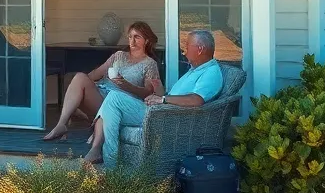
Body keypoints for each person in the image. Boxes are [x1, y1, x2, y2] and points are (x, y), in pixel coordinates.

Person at [84, 28, 224, 166]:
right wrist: (159, 93)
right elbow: (176, 96)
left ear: (199, 49)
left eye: (187, 46)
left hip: (168, 117)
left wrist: (162, 100)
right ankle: (110, 163)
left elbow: (196, 100)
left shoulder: (211, 72)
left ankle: (109, 164)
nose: (183, 50)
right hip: (162, 110)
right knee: (111, 107)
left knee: (114, 99)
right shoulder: (195, 70)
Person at [42, 21, 162, 143]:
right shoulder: (119, 55)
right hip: (101, 92)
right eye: (130, 37)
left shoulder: (149, 64)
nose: (132, 41)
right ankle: (61, 125)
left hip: (118, 102)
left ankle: (92, 123)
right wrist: (79, 89)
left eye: (137, 37)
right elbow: (94, 74)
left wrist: (127, 86)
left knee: (82, 81)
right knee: (79, 77)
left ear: (146, 40)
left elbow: (148, 92)